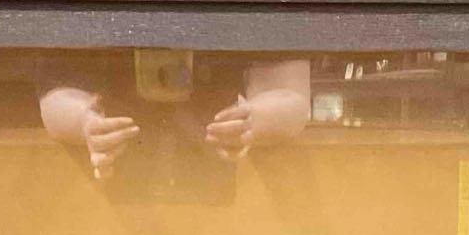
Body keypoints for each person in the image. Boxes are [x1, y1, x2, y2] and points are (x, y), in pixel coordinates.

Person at [38, 54, 311, 181]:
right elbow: (55, 92)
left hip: (242, 202)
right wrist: (86, 122)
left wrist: (252, 121)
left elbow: (291, 97)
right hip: (114, 207)